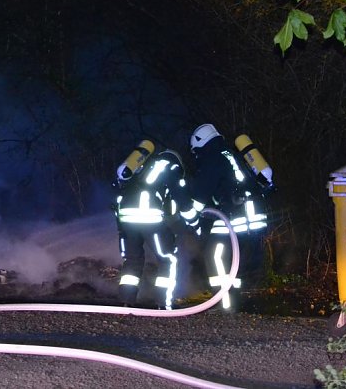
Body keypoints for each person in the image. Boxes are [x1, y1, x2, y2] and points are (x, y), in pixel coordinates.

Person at [187, 123, 269, 310]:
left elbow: (201, 193)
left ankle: (225, 305)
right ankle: (235, 303)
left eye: (196, 151)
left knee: (214, 254)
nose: (196, 156)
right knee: (235, 260)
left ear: (200, 143)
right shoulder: (231, 154)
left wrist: (191, 218)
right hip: (254, 216)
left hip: (236, 217)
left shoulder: (212, 158)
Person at [113, 142, 190, 309]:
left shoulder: (141, 166)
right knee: (167, 259)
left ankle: (126, 302)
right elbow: (179, 196)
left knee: (132, 260)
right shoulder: (171, 166)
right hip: (149, 217)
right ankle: (164, 304)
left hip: (125, 218)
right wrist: (193, 219)